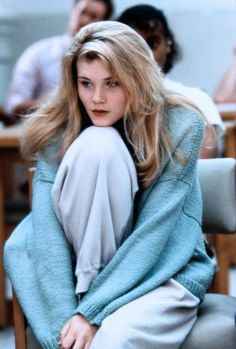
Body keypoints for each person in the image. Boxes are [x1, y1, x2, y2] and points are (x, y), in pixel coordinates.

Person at [4, 21, 214, 349]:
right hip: (73, 273)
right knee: (97, 141)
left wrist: (91, 312)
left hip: (160, 270)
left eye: (112, 83)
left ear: (136, 78)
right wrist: (67, 325)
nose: (97, 98)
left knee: (112, 340)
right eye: (86, 83)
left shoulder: (179, 125)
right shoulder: (58, 127)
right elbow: (47, 233)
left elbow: (154, 234)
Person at [117, 5, 225, 159]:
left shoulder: (195, 99)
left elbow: (200, 173)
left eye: (152, 43)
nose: (145, 54)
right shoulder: (104, 101)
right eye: (135, 45)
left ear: (168, 45)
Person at [4, 0, 113, 119]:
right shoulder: (38, 53)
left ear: (103, 23)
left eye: (93, 17)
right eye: (82, 12)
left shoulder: (108, 60)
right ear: (72, 12)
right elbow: (13, 105)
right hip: (43, 130)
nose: (85, 20)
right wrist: (53, 104)